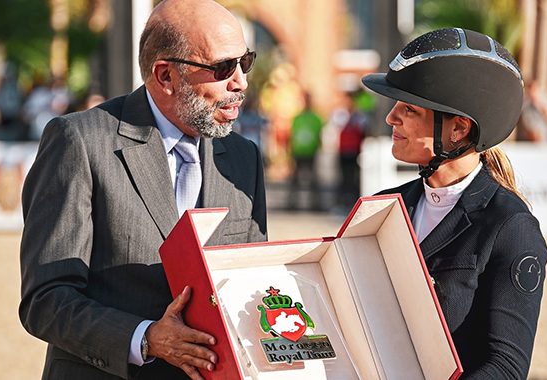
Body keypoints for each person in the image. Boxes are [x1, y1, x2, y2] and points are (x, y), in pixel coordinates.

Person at [18, 1, 267, 379]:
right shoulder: (79, 142)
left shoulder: (243, 157)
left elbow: (252, 282)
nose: (241, 82)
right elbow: (45, 300)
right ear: (165, 75)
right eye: (222, 68)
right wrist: (146, 338)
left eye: (244, 62)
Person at [362, 28, 547, 378]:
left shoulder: (510, 227)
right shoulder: (381, 208)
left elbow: (506, 368)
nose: (391, 118)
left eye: (409, 109)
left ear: (458, 129)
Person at [287, 92, 323, 210]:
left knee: (313, 180)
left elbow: (319, 135)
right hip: (299, 152)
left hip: (310, 152)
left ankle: (315, 203)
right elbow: (292, 135)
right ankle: (293, 203)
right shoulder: (297, 118)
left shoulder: (316, 118)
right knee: (295, 179)